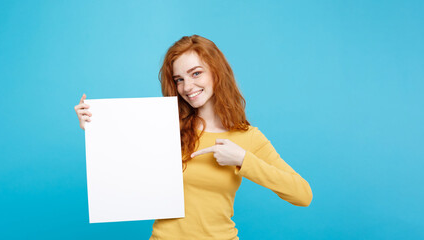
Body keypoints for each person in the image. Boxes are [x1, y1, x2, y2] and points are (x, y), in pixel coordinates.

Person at [73, 35, 313, 240]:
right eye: (179, 79)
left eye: (196, 73)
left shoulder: (247, 137)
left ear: (217, 73)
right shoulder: (164, 127)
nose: (187, 87)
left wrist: (243, 159)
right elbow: (123, 170)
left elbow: (302, 194)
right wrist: (97, 129)